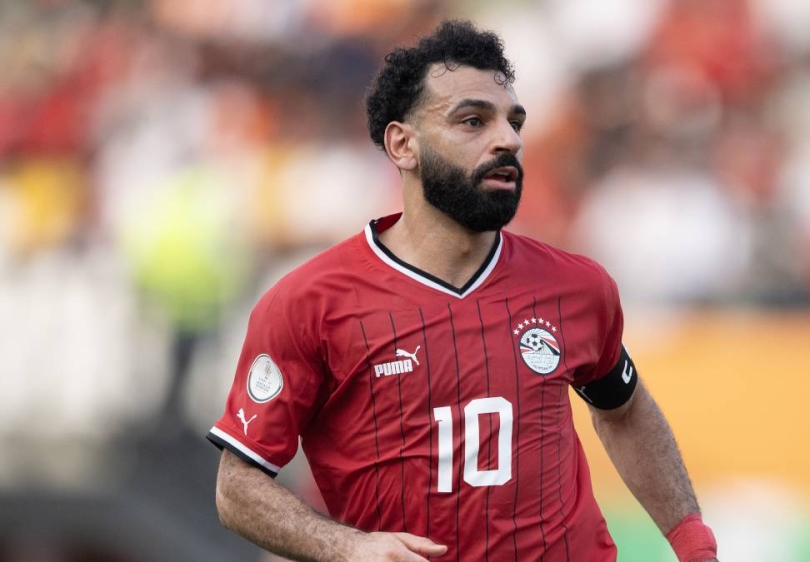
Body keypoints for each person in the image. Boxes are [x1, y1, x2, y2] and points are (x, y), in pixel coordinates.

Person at [208, 20, 719, 562]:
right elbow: (237, 486)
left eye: (513, 121)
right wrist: (346, 547)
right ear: (403, 144)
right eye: (473, 120)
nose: (508, 139)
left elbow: (625, 409)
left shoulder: (577, 287)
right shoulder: (309, 304)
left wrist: (694, 546)